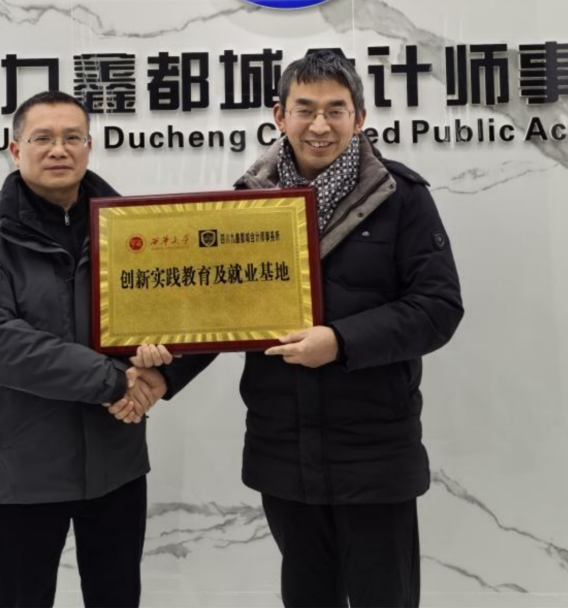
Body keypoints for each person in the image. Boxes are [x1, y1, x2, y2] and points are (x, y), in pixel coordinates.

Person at [134, 50, 464, 608]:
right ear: (279, 115)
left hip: (374, 448)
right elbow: (221, 310)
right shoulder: (247, 203)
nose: (319, 125)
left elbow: (437, 308)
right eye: (305, 109)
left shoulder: (401, 197)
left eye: (335, 110)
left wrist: (340, 342)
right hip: (283, 446)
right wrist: (163, 375)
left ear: (360, 117)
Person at [0, 91, 167, 608]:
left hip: (116, 462)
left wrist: (161, 371)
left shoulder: (131, 231)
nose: (58, 149)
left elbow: (174, 313)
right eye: (42, 138)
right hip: (22, 470)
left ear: (89, 147)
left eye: (72, 138)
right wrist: (112, 380)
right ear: (15, 149)